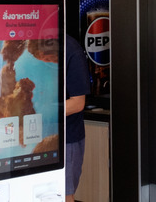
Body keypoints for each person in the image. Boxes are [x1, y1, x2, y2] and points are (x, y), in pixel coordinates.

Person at [65, 34, 91, 202]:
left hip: (67, 140)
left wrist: (41, 111)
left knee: (64, 195)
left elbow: (77, 103)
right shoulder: (31, 44)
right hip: (37, 137)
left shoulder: (71, 49)